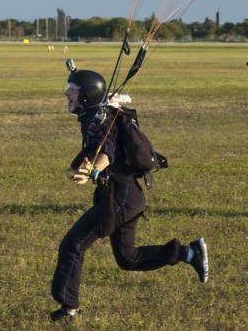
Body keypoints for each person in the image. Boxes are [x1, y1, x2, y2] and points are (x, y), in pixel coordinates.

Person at [50, 66, 208, 322]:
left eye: (73, 89)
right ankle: (189, 253)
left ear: (88, 95)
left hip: (120, 196)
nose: (66, 92)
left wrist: (93, 170)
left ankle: (69, 310)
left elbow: (107, 153)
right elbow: (102, 148)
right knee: (128, 258)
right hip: (124, 195)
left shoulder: (98, 118)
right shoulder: (97, 114)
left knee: (73, 244)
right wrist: (88, 166)